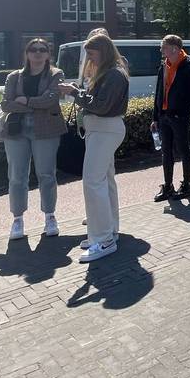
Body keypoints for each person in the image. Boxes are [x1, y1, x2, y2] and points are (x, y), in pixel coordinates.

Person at [56, 33, 129, 262]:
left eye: (92, 53)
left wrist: (75, 93)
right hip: (103, 129)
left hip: (104, 129)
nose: (89, 58)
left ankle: (103, 239)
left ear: (103, 51)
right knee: (104, 182)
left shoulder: (113, 74)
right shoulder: (111, 72)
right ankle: (107, 233)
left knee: (93, 182)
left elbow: (100, 105)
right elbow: (100, 103)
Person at [0, 38, 65, 240]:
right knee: (17, 177)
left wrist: (26, 101)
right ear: (26, 54)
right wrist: (37, 105)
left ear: (48, 54)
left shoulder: (56, 74)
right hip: (16, 130)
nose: (38, 53)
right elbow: (6, 104)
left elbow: (52, 99)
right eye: (33, 50)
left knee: (46, 174)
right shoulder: (14, 77)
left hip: (46, 130)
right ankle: (17, 219)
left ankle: (50, 216)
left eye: (42, 49)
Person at [152, 34, 190, 202]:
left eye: (163, 47)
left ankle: (187, 185)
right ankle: (168, 186)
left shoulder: (189, 65)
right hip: (164, 115)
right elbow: (159, 92)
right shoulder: (164, 66)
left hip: (178, 116)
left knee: (183, 149)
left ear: (174, 48)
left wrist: (182, 111)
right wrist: (155, 117)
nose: (161, 50)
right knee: (166, 152)